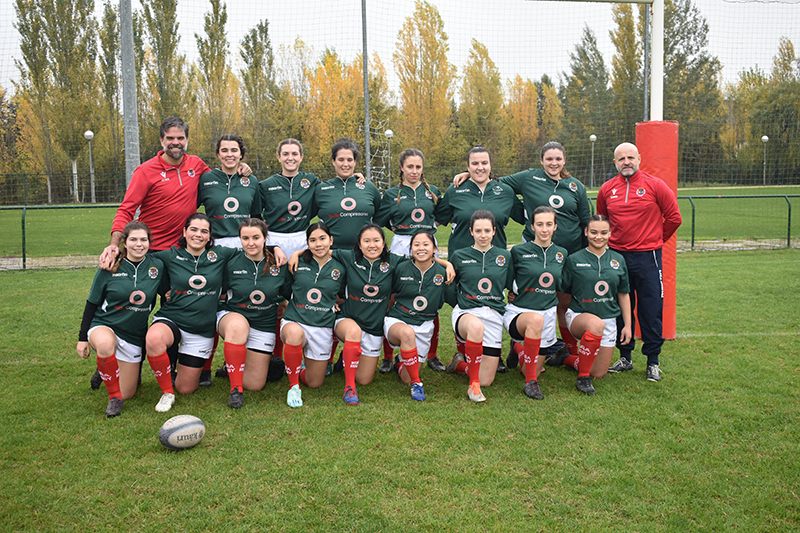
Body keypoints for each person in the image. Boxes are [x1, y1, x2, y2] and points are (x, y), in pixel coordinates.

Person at [98, 116, 250, 267]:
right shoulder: (145, 171)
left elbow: (220, 183)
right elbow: (126, 210)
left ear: (187, 140)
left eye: (180, 138)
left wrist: (239, 165)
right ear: (161, 140)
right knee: (145, 291)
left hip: (185, 249)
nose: (176, 142)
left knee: (186, 291)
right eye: (170, 138)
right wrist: (114, 244)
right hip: (151, 249)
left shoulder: (196, 164)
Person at [596, 142, 682, 382]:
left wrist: (655, 240)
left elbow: (674, 217)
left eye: (630, 157)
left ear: (639, 159)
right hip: (617, 258)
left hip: (648, 257)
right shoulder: (607, 189)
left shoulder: (655, 185)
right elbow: (603, 223)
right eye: (621, 158)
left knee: (650, 308)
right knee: (620, 309)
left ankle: (653, 361)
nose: (626, 162)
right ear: (615, 162)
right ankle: (625, 356)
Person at [437, 146, 524, 373]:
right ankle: (464, 353)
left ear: (490, 165)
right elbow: (436, 219)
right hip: (463, 262)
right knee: (462, 303)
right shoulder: (455, 190)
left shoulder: (504, 191)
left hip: (495, 263)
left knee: (492, 304)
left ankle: (493, 352)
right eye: (474, 163)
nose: (480, 167)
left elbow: (525, 216)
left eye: (484, 163)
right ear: (467, 167)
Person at [144, 213, 238, 412]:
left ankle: (174, 364)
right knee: (154, 338)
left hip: (200, 329)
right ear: (184, 232)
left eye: (204, 231)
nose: (198, 235)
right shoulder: (170, 255)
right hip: (172, 319)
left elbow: (251, 250)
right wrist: (164, 290)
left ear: (210, 236)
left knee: (186, 388)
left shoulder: (220, 254)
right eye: (193, 229)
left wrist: (276, 249)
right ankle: (166, 392)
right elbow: (141, 259)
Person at [76, 221, 163, 417]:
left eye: (143, 239)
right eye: (133, 239)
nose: (138, 244)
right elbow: (91, 303)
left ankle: (106, 368)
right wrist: (82, 338)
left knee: (129, 392)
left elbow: (166, 290)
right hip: (106, 325)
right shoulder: (110, 265)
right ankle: (114, 398)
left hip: (133, 335)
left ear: (150, 242)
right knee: (106, 345)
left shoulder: (157, 266)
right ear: (125, 242)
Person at [373, 148, 445, 373]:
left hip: (426, 246)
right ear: (402, 168)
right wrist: (399, 230)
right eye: (410, 167)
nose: (414, 171)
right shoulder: (391, 193)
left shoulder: (432, 191)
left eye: (418, 167)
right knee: (392, 297)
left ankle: (431, 354)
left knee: (430, 296)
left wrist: (428, 235)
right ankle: (387, 355)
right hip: (402, 245)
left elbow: (441, 216)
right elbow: (380, 220)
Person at [550, 215, 632, 395]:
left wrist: (627, 325)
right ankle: (582, 378)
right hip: (579, 316)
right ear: (586, 232)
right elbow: (559, 287)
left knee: (599, 372)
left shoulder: (618, 260)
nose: (598, 237)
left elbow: (624, 294)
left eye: (603, 232)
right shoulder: (574, 259)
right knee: (596, 324)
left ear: (610, 233)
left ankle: (566, 358)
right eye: (593, 232)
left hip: (609, 320)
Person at [217, 219, 292, 409]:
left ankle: (233, 365)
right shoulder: (231, 259)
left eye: (256, 237)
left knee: (255, 384)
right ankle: (236, 390)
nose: (251, 243)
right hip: (233, 317)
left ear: (265, 238)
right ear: (239, 239)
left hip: (263, 323)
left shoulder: (279, 262)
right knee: (237, 326)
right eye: (245, 238)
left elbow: (290, 291)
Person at [447, 210, 514, 403]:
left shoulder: (504, 256)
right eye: (478, 231)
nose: (483, 235)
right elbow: (450, 286)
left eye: (487, 230)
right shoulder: (459, 256)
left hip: (493, 315)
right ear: (471, 232)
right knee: (476, 327)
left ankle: (459, 364)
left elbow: (510, 283)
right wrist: (461, 302)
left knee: (487, 380)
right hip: (466, 312)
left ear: (494, 231)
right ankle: (473, 385)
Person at [280, 223, 347, 408]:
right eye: (313, 240)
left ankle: (299, 369)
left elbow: (342, 295)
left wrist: (333, 302)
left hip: (322, 325)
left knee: (315, 382)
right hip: (296, 319)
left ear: (331, 240)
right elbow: (286, 289)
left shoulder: (340, 268)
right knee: (293, 335)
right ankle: (293, 386)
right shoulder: (297, 262)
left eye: (322, 238)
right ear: (307, 243)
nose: (318, 244)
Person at [384, 230, 455, 402]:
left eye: (426, 244)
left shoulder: (443, 272)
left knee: (405, 377)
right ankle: (417, 384)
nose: (421, 248)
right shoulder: (401, 266)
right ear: (410, 249)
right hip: (398, 319)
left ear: (434, 249)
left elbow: (455, 300)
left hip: (424, 324)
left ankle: (401, 361)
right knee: (407, 333)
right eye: (416, 245)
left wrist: (447, 265)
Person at [506, 206, 568, 400]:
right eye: (539, 224)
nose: (544, 229)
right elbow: (508, 280)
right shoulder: (518, 251)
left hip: (547, 314)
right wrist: (512, 292)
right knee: (534, 321)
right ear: (532, 226)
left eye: (549, 224)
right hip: (520, 312)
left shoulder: (562, 254)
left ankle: (517, 347)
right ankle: (531, 383)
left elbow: (563, 283)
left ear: (555, 226)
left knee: (528, 368)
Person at [315, 138, 382, 250]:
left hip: (364, 254)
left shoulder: (368, 187)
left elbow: (380, 216)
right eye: (341, 159)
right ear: (333, 161)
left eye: (349, 160)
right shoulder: (321, 189)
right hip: (331, 254)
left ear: (355, 161)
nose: (345, 164)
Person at [198, 134, 262, 248]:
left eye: (234, 150)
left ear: (241, 154)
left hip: (245, 244)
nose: (229, 154)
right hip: (215, 244)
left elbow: (256, 217)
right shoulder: (205, 179)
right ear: (218, 154)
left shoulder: (252, 181)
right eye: (224, 150)